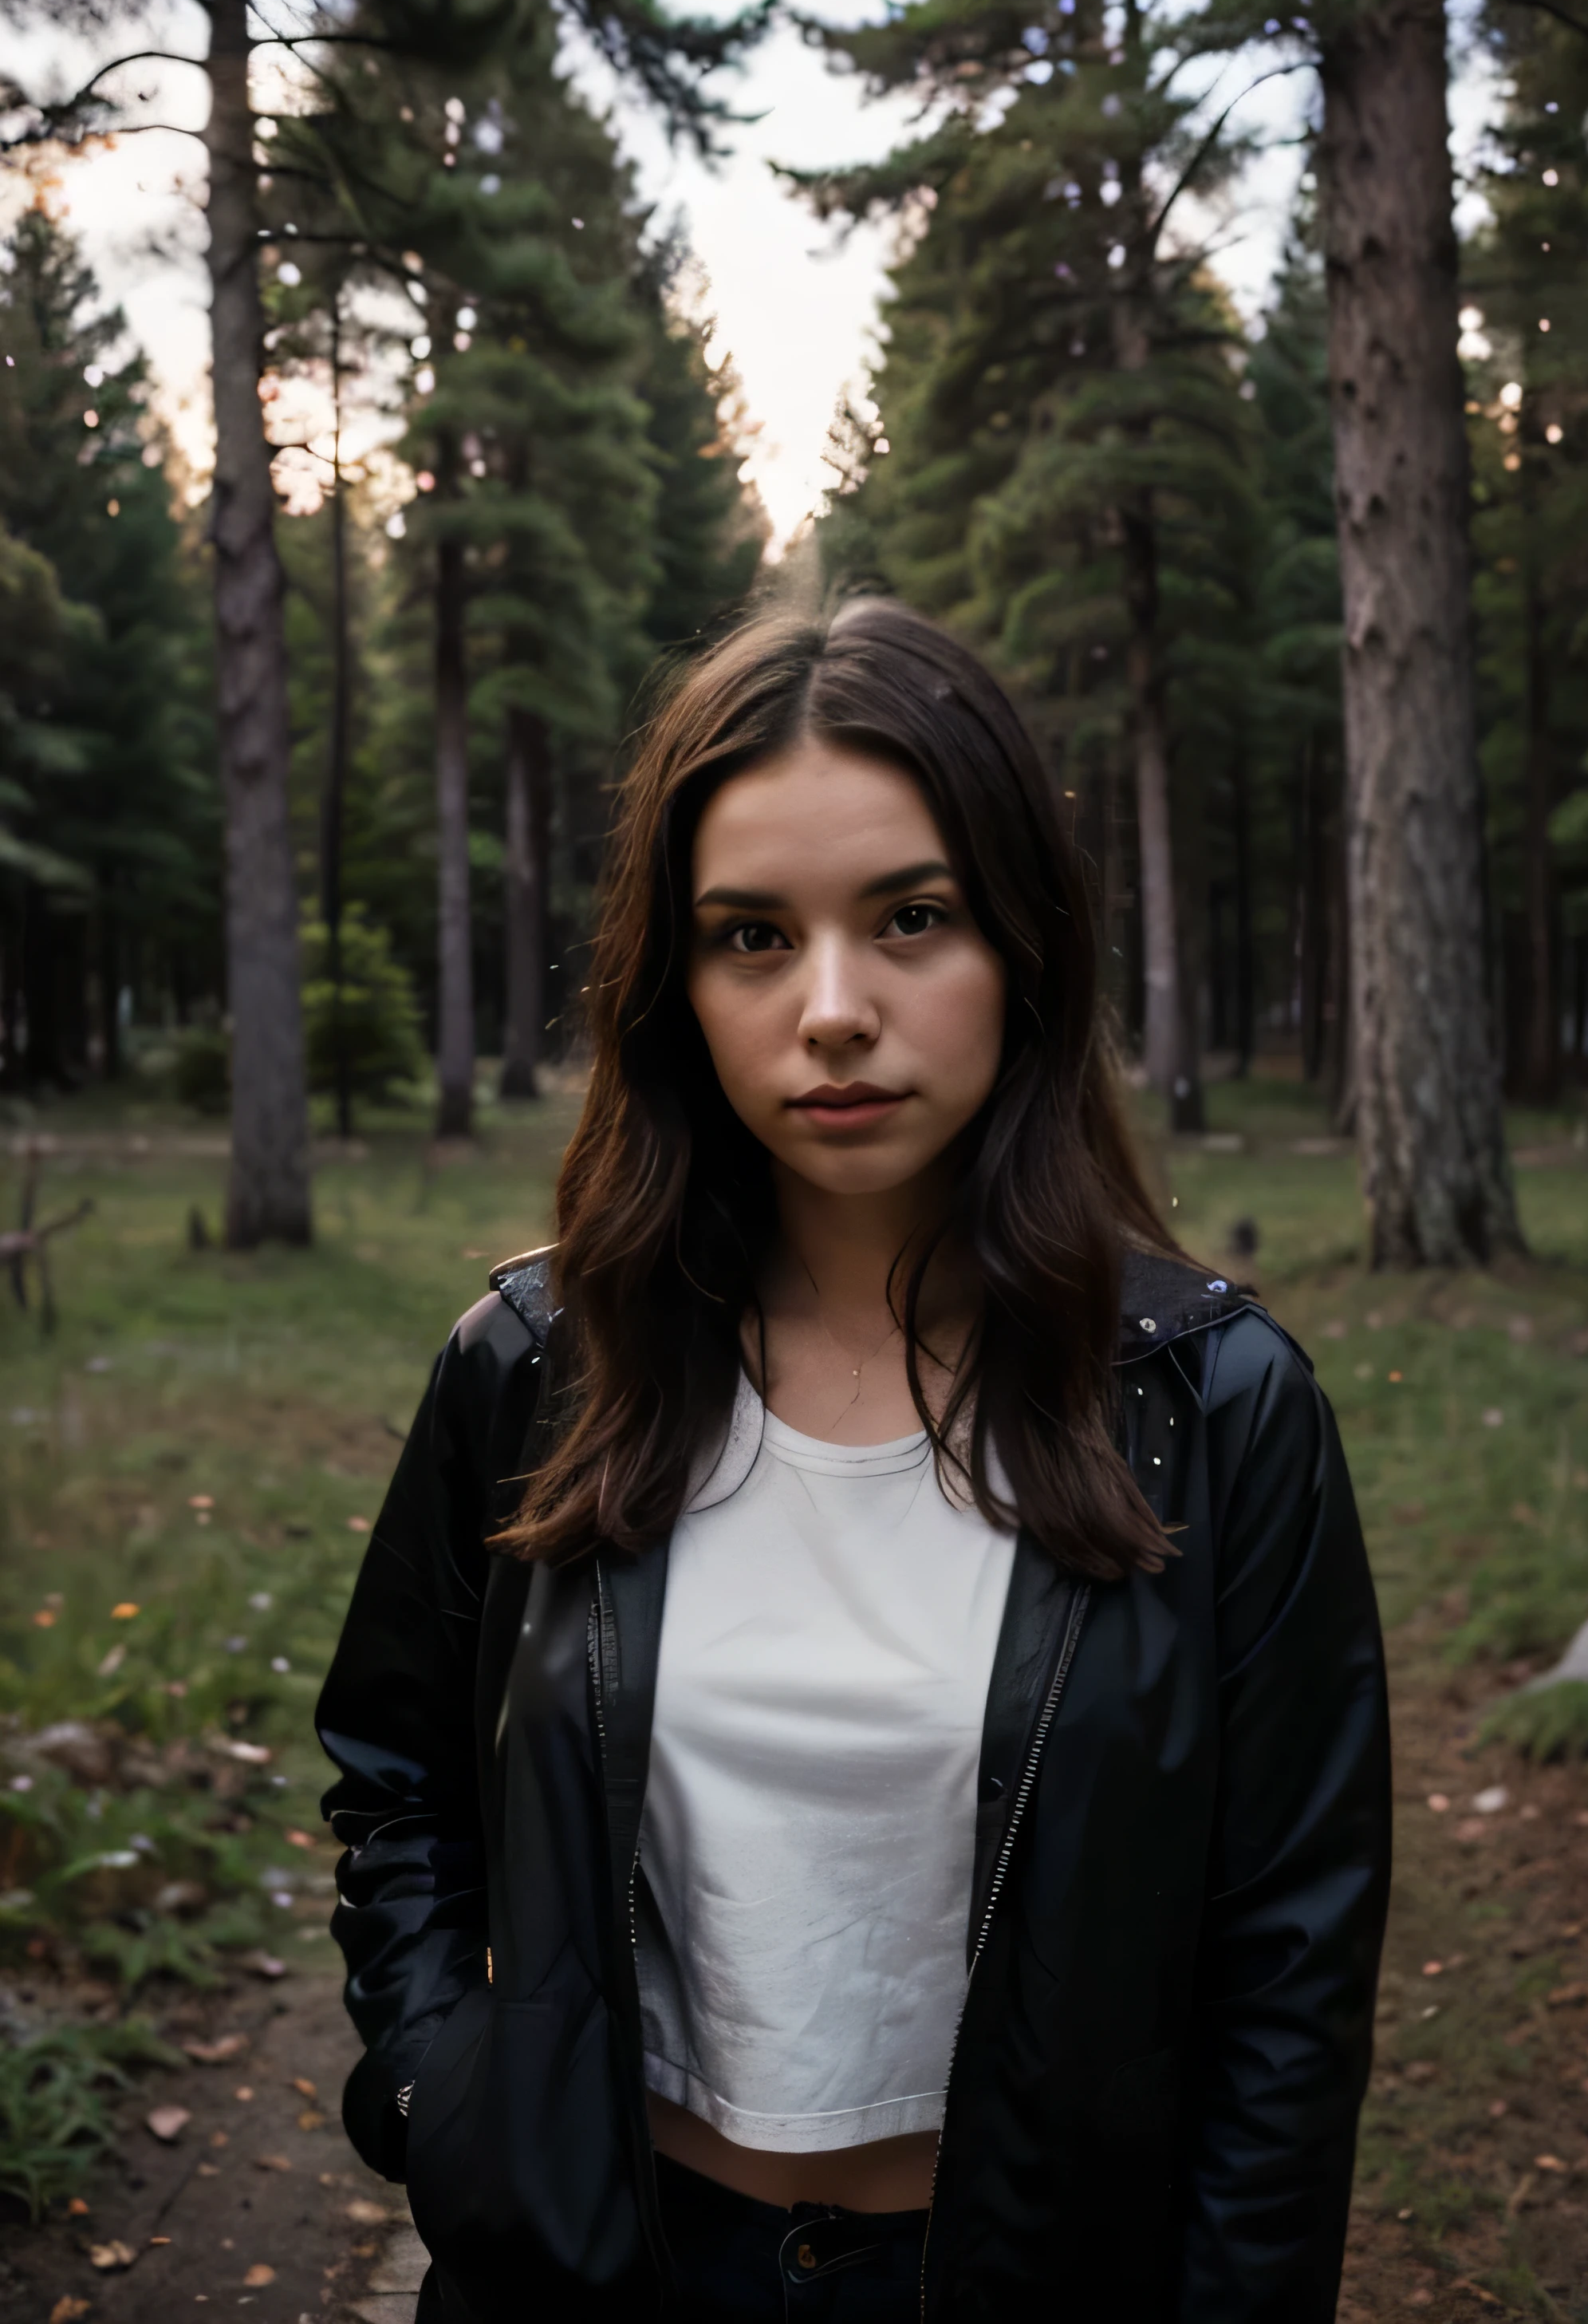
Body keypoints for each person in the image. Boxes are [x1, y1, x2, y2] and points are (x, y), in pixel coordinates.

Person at [316, 601, 1390, 2324]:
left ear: (1024, 943)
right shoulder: (531, 1372)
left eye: (911, 917)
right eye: (750, 936)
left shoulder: (1215, 1409)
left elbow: (1291, 1973)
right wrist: (448, 2097)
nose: (831, 1011)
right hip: (601, 2266)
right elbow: (395, 1775)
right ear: (673, 983)